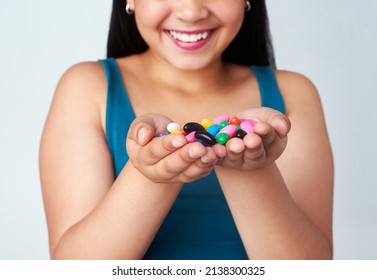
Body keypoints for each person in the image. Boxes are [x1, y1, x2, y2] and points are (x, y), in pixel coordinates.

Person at [39, 0, 334, 260]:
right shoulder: (88, 88)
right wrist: (152, 176)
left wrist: (250, 168)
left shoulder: (294, 94)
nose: (191, 11)